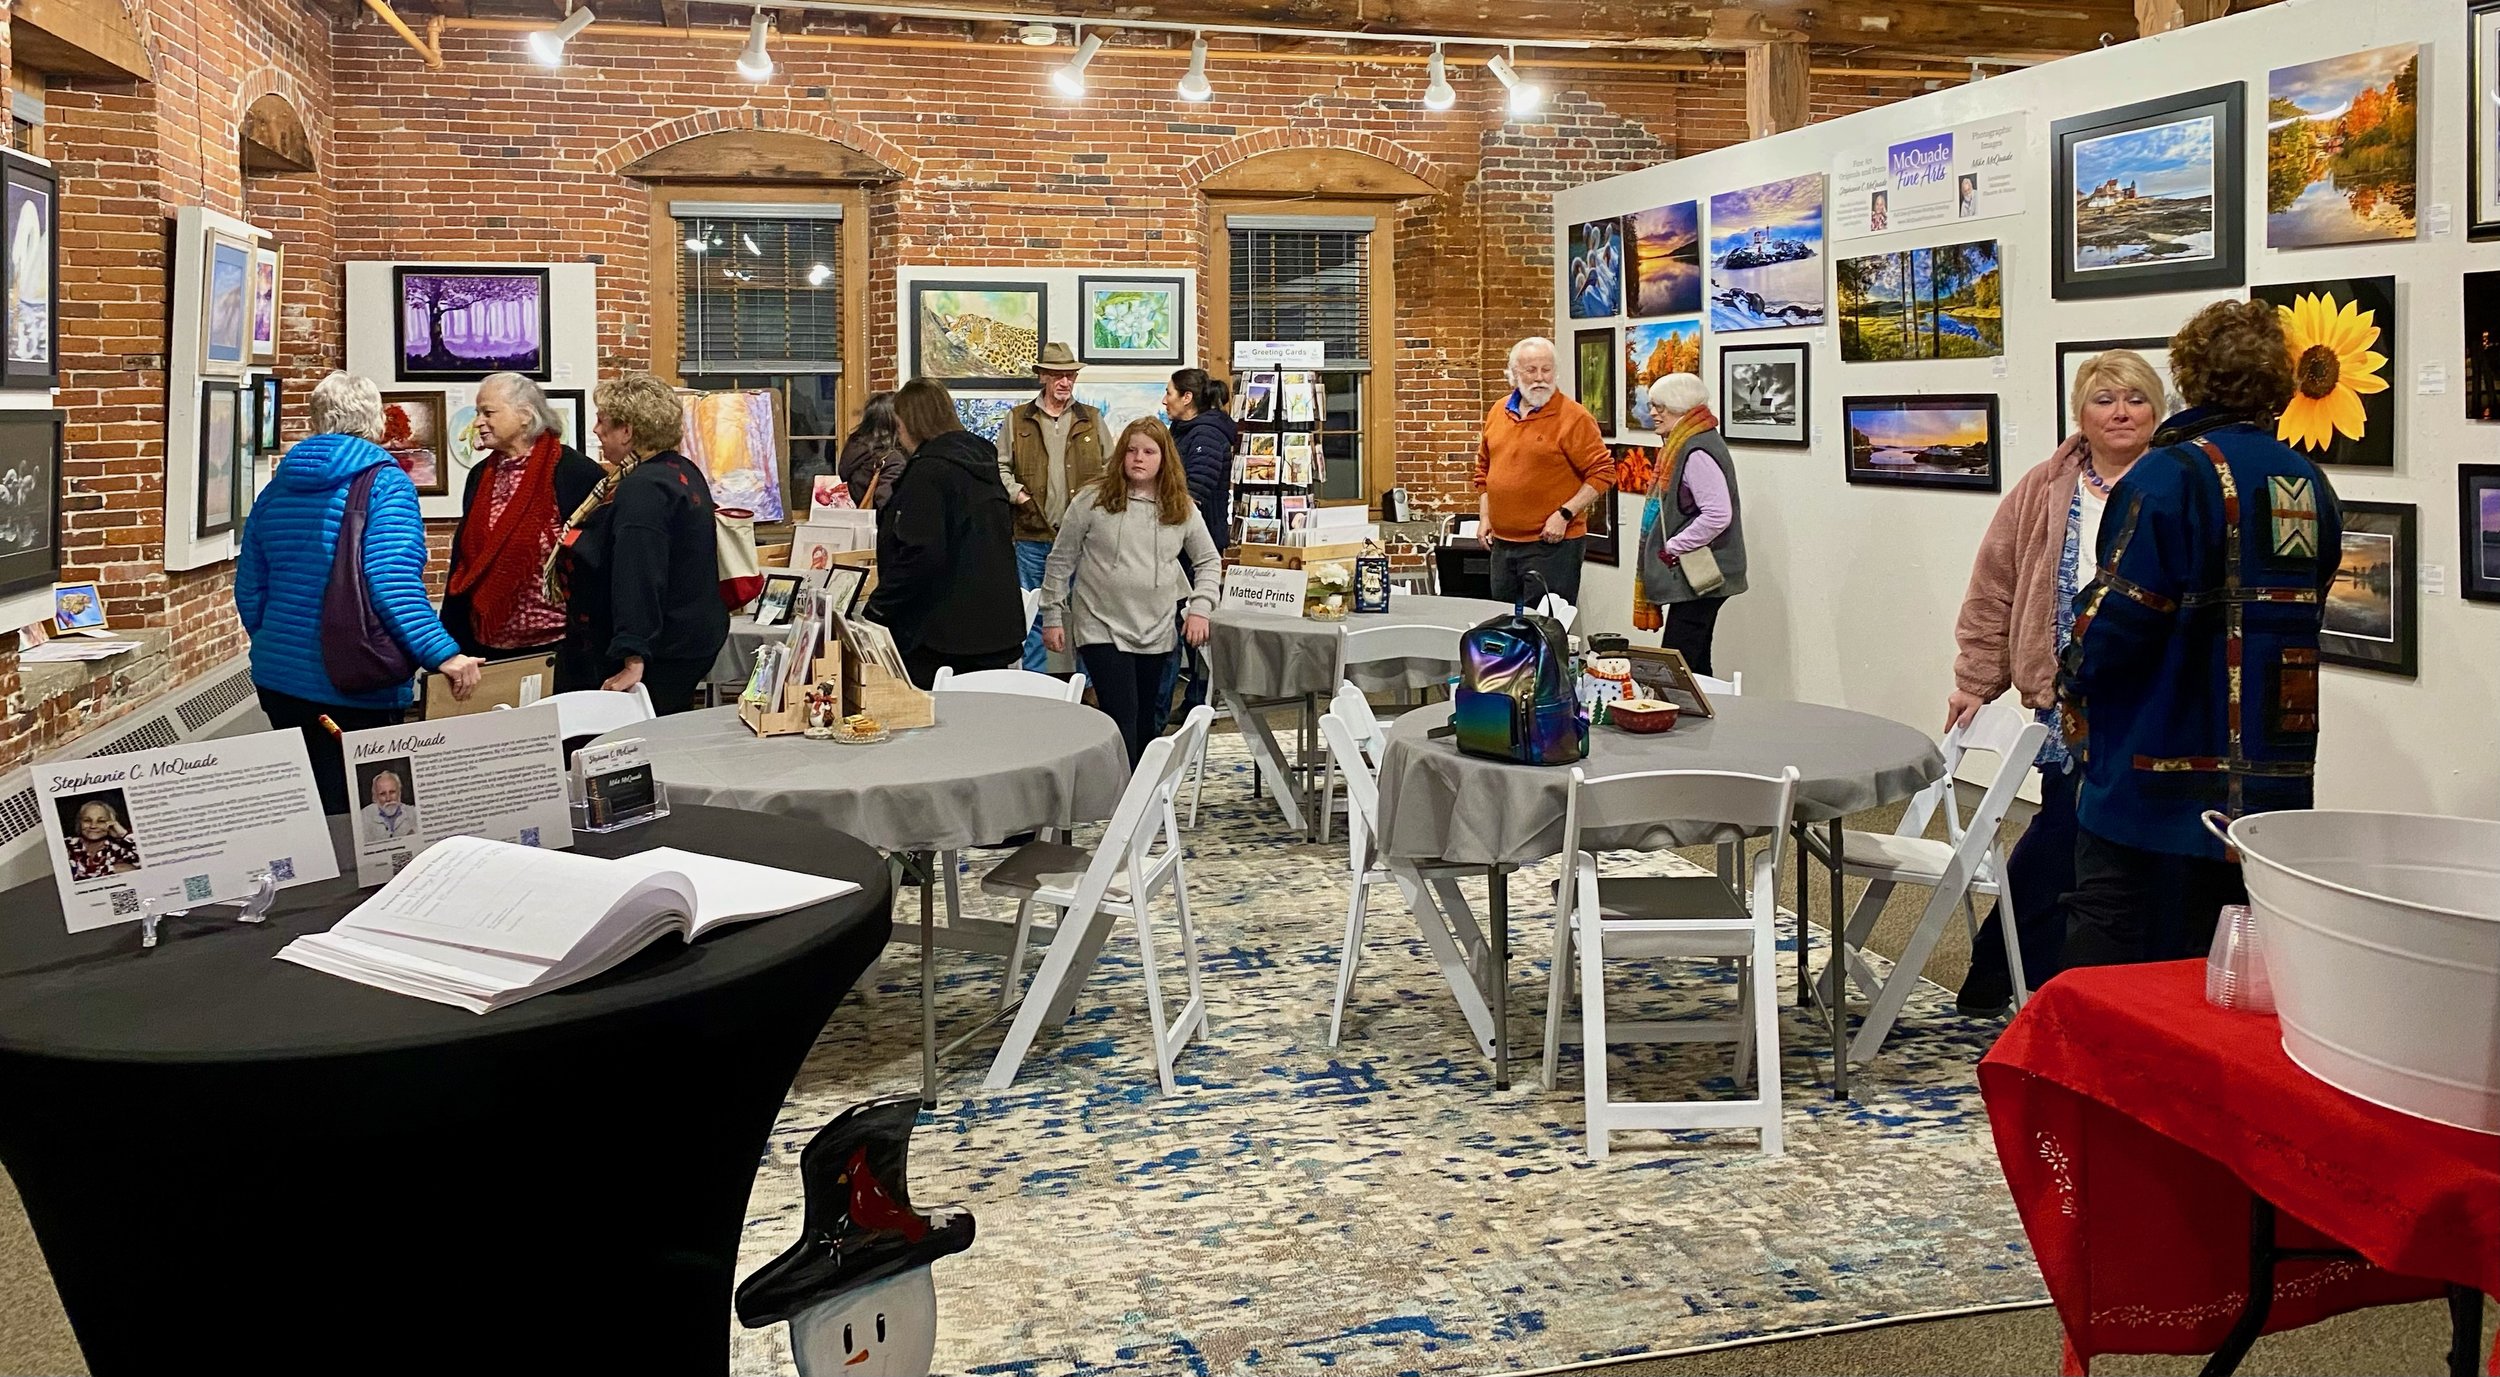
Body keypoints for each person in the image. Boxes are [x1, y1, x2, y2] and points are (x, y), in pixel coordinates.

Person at [2055, 300, 2343, 972]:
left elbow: (2119, 621)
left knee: (2112, 924)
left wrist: (2072, 674)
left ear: (2188, 375)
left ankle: (2097, 1044)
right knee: (2220, 945)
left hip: (2152, 757)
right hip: (2269, 769)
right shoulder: (2306, 480)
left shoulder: (2168, 475)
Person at [1944, 348, 2165, 1013]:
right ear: (2080, 414)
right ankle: (2007, 971)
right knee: (2066, 830)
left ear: (2158, 410)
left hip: (2152, 695)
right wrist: (1975, 680)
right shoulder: (2044, 486)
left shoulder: (2174, 484)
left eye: (2136, 399)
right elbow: (1995, 584)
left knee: (2109, 844)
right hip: (2066, 694)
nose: (2121, 412)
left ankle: (2057, 982)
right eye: (2105, 399)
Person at [237, 372, 483, 815]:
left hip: (278, 680)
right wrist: (443, 654)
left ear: (316, 419)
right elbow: (391, 582)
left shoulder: (276, 488)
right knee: (368, 815)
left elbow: (250, 588)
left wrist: (279, 642)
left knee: (312, 807)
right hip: (354, 682)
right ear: (376, 421)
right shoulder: (385, 484)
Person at [1040, 417, 1220, 768]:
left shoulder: (1181, 507)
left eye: (1149, 452)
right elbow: (1060, 560)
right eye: (1132, 450)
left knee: (1147, 721)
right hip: (1100, 626)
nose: (1139, 458)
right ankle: (1124, 791)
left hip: (1157, 629)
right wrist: (1052, 615)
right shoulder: (1092, 501)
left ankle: (1141, 786)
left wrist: (1200, 607)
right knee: (1122, 716)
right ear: (1121, 454)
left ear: (1164, 459)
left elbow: (1209, 561)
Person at [550, 371, 729, 714]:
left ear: (628, 431)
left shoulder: (643, 487)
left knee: (641, 739)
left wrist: (633, 656)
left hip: (661, 652)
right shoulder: (680, 469)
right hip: (690, 639)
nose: (596, 430)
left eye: (602, 421)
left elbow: (639, 573)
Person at [870, 377, 1024, 687]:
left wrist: (878, 607)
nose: (899, 435)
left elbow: (921, 552)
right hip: (993, 625)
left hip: (942, 634)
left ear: (911, 422)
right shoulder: (981, 463)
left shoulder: (929, 471)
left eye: (899, 425)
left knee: (933, 713)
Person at [443, 372, 603, 659]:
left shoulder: (573, 472)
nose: (477, 422)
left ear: (526, 415)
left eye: (488, 412)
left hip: (559, 647)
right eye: (478, 413)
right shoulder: (480, 475)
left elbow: (596, 559)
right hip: (485, 646)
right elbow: (466, 558)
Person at [1474, 337, 1614, 605]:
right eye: (1531, 370)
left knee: (1544, 625)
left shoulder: (1574, 417)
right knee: (1504, 623)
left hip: (1552, 546)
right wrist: (1485, 516)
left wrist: (1565, 514)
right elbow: (1483, 470)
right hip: (1502, 545)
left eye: (1546, 370)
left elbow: (1603, 472)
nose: (1540, 378)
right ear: (1513, 374)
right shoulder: (1498, 411)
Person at [995, 342, 1106, 672]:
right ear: (1043, 376)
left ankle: (1090, 688)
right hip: (1033, 534)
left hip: (1083, 539)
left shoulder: (1091, 419)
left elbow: (1110, 467)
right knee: (1034, 615)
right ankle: (1035, 685)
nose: (1065, 382)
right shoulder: (1018, 419)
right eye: (1058, 375)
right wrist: (1019, 495)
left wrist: (1094, 504)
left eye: (1070, 375)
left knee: (1089, 617)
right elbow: (999, 466)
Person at [1633, 372, 1746, 676]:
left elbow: (1717, 514)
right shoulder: (1692, 441)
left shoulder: (1695, 449)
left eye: (1660, 407)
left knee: (1677, 662)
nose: (1653, 413)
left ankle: (1680, 707)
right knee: (1693, 661)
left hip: (1704, 574)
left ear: (1680, 407)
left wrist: (1673, 546)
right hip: (1699, 574)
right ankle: (1704, 705)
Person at [1164, 367, 1235, 719]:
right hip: (1179, 542)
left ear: (1187, 398)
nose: (1164, 400)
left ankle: (1199, 698)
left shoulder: (1206, 434)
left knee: (1196, 619)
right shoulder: (1182, 431)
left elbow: (1195, 491)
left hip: (1196, 545)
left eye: (1169, 393)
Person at [838, 390, 910, 510]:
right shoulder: (893, 460)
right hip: (877, 521)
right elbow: (888, 505)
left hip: (857, 519)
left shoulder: (856, 450)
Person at [63, 799, 140, 879]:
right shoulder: (66, 844)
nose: (93, 826)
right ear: (79, 823)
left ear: (111, 824)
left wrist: (123, 834)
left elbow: (143, 866)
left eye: (101, 821)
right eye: (87, 820)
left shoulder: (119, 850)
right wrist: (109, 871)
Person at [358, 768, 422, 843]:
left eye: (392, 792)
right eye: (382, 794)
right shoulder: (363, 817)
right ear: (375, 797)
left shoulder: (415, 813)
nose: (388, 798)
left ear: (399, 793)